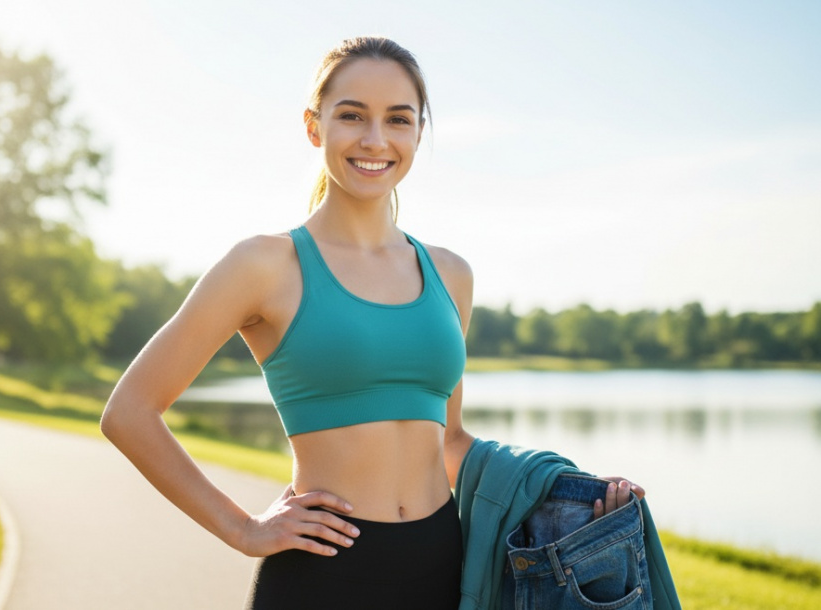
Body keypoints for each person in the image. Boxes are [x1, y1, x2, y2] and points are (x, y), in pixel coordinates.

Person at [101, 36, 643, 610]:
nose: (375, 139)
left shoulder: (450, 274)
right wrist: (243, 529)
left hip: (440, 567)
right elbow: (130, 412)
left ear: (417, 132)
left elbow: (450, 441)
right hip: (322, 574)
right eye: (352, 115)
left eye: (398, 120)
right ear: (315, 126)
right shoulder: (262, 265)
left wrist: (579, 494)